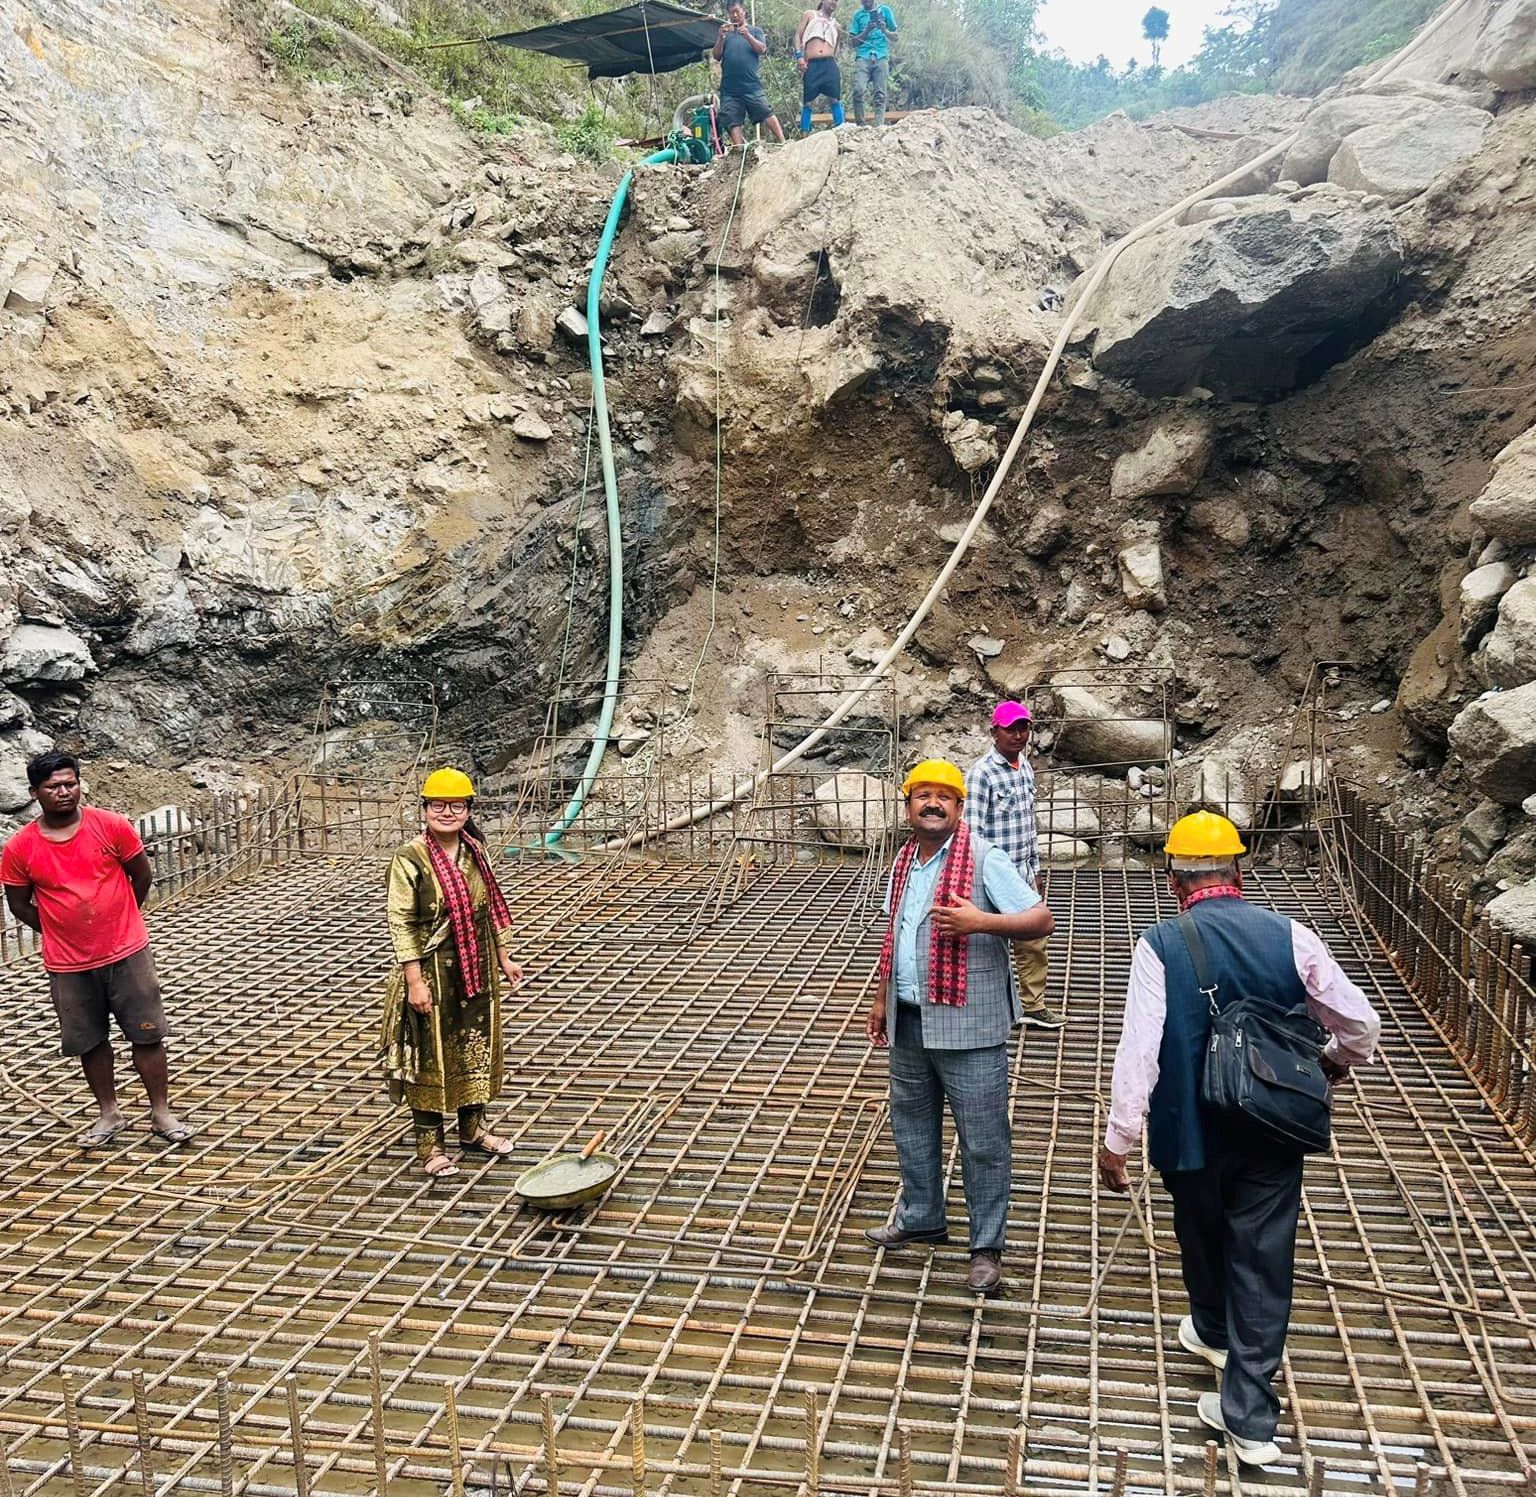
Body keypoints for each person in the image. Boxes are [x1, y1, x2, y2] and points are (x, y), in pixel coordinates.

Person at [1098, 811, 1381, 1468]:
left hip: (1188, 1132)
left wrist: (1119, 1139)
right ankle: (1249, 1416)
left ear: (1172, 879)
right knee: (1261, 1260)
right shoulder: (1292, 936)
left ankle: (1214, 1330)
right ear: (1239, 872)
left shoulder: (1160, 944)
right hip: (1272, 1128)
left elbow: (1138, 1051)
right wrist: (1333, 1062)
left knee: (1198, 1232)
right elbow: (1361, 1024)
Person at [865, 759, 1055, 1294]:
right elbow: (895, 936)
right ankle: (922, 1214)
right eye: (922, 795)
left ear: (959, 807)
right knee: (911, 1125)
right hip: (910, 1018)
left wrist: (981, 921)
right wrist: (881, 1000)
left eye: (943, 797)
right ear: (908, 807)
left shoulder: (985, 860)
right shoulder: (905, 861)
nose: (932, 803)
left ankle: (986, 1247)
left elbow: (1039, 919)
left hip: (970, 1024)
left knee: (984, 1141)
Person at [1, 751, 192, 1148]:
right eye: (53, 786)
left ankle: (160, 1111)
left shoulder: (110, 825)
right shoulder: (20, 848)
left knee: (147, 1033)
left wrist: (121, 918)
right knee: (89, 1040)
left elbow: (141, 874)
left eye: (70, 783)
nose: (64, 792)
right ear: (36, 792)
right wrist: (59, 929)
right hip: (68, 964)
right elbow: (19, 904)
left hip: (126, 952)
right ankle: (109, 1113)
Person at [380, 768, 526, 1178]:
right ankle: (431, 1148)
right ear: (425, 809)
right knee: (431, 1055)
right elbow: (401, 921)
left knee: (474, 1047)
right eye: (438, 805)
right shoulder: (410, 859)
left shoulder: (476, 851)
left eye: (456, 805)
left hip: (475, 969)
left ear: (468, 810)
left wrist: (504, 957)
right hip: (432, 972)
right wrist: (414, 981)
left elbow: (490, 909)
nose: (447, 813)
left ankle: (473, 1130)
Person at [964, 702, 1063, 1028]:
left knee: (1032, 940)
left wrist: (1035, 869)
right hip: (993, 875)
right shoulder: (982, 774)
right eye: (1011, 729)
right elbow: (972, 831)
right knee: (986, 942)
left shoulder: (1025, 768)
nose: (1019, 735)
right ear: (995, 732)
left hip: (1021, 870)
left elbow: (1028, 825)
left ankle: (1031, 1005)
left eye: (1024, 728)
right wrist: (973, 878)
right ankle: (982, 1005)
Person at [713, 2, 786, 146]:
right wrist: (720, 38)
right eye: (731, 13)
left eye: (737, 12)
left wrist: (747, 35)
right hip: (730, 89)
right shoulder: (726, 35)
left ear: (743, 12)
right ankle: (740, 151)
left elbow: (762, 49)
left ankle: (783, 143)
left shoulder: (755, 31)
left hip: (751, 85)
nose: (734, 15)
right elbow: (716, 56)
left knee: (765, 111)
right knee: (732, 119)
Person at [794, 0, 845, 133]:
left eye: (836, 0)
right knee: (808, 101)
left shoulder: (836, 25)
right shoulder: (810, 15)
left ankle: (841, 131)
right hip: (813, 63)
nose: (833, 2)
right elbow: (798, 36)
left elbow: (836, 47)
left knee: (835, 98)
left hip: (829, 63)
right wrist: (799, 56)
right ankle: (804, 134)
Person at [849, 0, 897, 126]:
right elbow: (853, 43)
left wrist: (884, 30)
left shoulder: (885, 11)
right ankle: (861, 125)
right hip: (863, 56)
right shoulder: (858, 15)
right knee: (858, 90)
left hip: (881, 55)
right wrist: (867, 30)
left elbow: (895, 37)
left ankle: (878, 126)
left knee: (880, 94)